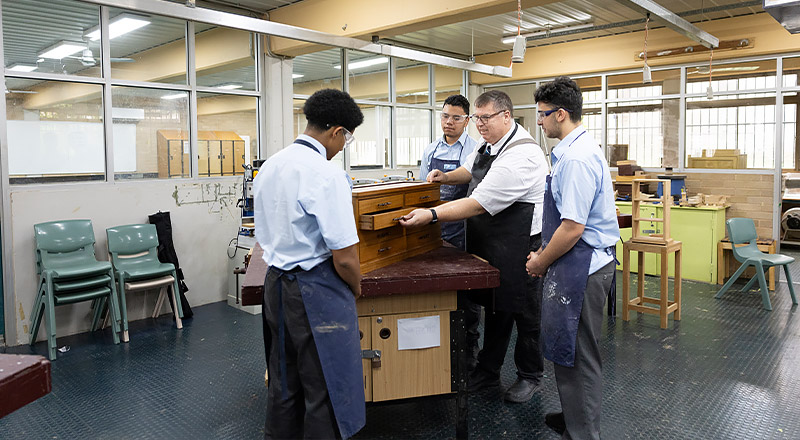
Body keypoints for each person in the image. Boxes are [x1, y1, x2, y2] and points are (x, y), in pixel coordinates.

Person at [400, 90, 548, 403]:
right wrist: (445, 177)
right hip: (495, 240)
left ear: (506, 116)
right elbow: (470, 170)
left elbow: (478, 203)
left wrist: (431, 215)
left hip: (523, 243)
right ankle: (487, 372)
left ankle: (530, 375)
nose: (479, 124)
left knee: (525, 313)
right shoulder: (489, 142)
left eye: (485, 118)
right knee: (496, 308)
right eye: (477, 118)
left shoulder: (521, 156)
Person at [254, 88, 365, 440]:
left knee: (284, 378)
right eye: (346, 138)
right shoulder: (326, 173)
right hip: (315, 291)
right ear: (336, 132)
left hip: (276, 285)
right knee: (326, 385)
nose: (343, 145)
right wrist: (356, 288)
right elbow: (345, 256)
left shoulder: (271, 165)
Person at [526, 77, 620, 440]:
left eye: (542, 115)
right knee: (567, 350)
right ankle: (573, 416)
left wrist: (539, 261)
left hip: (584, 266)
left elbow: (572, 229)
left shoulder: (577, 159)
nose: (539, 122)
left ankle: (583, 433)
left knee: (579, 357)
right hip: (574, 262)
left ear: (561, 114)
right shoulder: (571, 150)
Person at [418, 94, 482, 370]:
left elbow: (475, 186)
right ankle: (438, 344)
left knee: (466, 292)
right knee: (435, 287)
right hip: (434, 227)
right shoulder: (430, 150)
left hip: (465, 229)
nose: (449, 122)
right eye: (445, 116)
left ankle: (470, 346)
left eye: (456, 118)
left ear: (467, 121)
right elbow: (422, 190)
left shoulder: (476, 149)